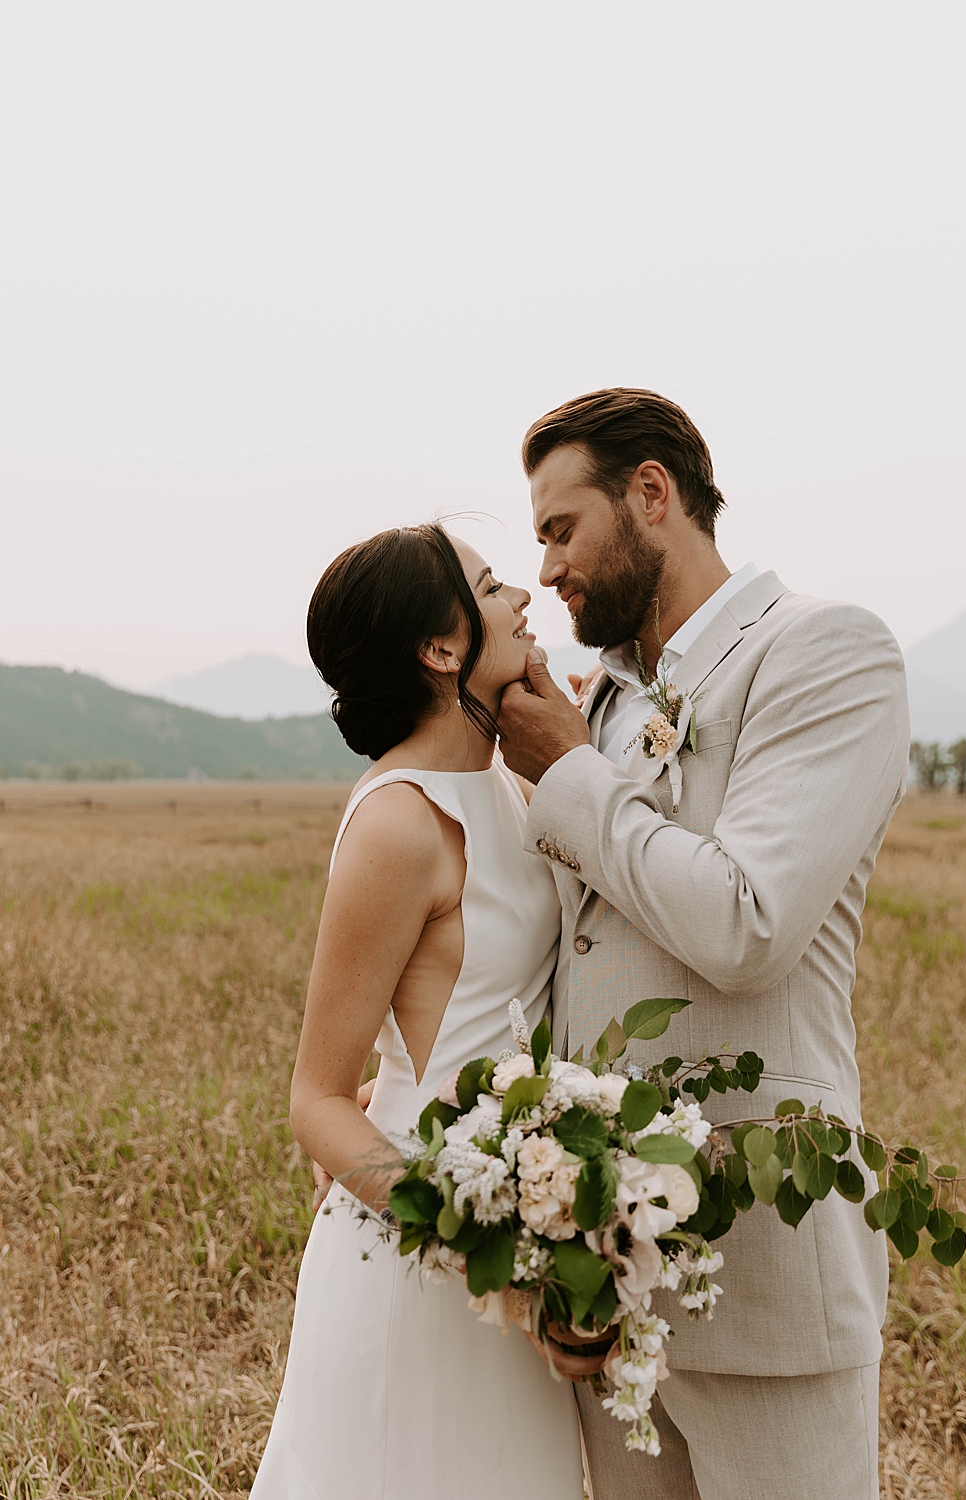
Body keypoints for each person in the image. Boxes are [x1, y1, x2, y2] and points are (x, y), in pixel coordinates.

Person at [495, 388, 908, 1500]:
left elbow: (747, 923)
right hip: (610, 1281)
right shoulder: (609, 701)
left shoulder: (824, 649)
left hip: (766, 1271)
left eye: (559, 529)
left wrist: (571, 776)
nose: (545, 569)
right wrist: (561, 1246)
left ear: (650, 494)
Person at [253, 525, 583, 1498]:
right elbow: (317, 1101)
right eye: (489, 585)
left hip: (526, 1223)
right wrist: (489, 1253)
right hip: (428, 1249)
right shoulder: (398, 821)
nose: (521, 593)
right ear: (441, 650)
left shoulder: (516, 784)